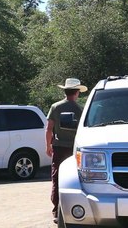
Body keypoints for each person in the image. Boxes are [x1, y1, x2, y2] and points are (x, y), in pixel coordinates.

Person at [45, 78, 87, 224]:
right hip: (74, 149)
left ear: (65, 91)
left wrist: (48, 146)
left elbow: (49, 128)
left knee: (56, 177)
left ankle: (56, 210)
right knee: (75, 179)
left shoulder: (55, 107)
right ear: (77, 92)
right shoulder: (80, 110)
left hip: (58, 147)